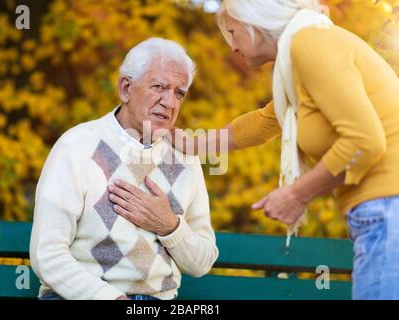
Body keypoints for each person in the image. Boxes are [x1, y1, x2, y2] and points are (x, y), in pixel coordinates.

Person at [170, 0, 399, 300]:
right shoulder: (303, 54)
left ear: (254, 23)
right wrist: (193, 144)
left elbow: (365, 140)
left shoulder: (310, 45)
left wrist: (295, 194)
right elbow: (268, 120)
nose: (232, 47)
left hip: (387, 208)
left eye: (233, 32)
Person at [29, 37, 218, 300]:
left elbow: (202, 261)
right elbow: (46, 255)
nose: (170, 102)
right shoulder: (76, 146)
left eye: (179, 93)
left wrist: (169, 226)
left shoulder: (186, 157)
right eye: (159, 87)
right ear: (126, 88)